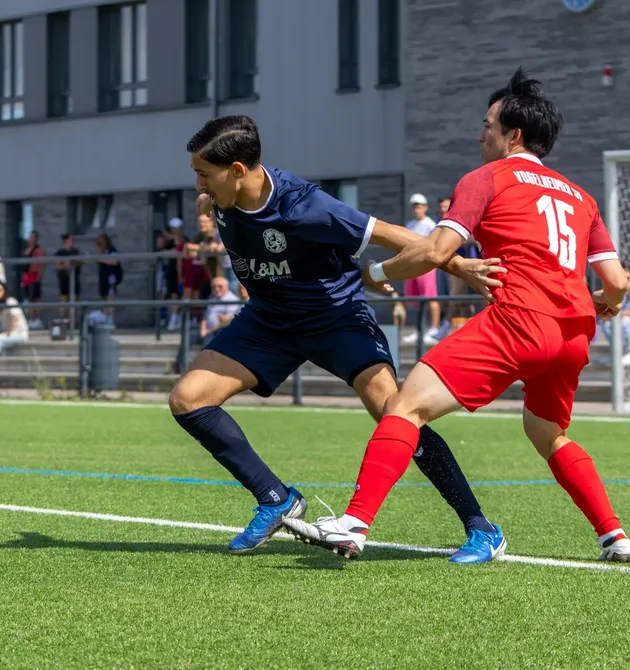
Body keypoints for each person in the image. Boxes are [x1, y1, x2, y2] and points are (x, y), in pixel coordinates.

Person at [284, 69, 630, 563]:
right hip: (574, 331)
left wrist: (375, 272)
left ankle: (353, 523)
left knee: (405, 405)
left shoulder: (486, 178)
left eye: (488, 124)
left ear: (513, 135)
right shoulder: (581, 197)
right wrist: (608, 303)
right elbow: (618, 282)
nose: (480, 134)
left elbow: (435, 251)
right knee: (547, 433)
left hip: (519, 320)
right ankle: (615, 535)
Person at [169, 114, 508, 561]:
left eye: (203, 175)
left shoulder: (304, 204)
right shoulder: (220, 199)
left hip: (336, 317)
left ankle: (481, 527)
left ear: (237, 170)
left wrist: (458, 264)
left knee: (398, 414)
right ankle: (276, 498)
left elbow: (393, 235)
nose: (198, 186)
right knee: (188, 399)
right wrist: (210, 203)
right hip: (268, 321)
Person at [401, 194, 441, 345]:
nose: (417, 210)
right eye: (414, 207)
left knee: (430, 297)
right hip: (412, 266)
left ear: (425, 207)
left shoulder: (430, 225)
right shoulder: (409, 225)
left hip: (426, 266)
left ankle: (434, 329)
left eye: (419, 206)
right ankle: (419, 329)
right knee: (415, 300)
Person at [21, 231, 46, 329]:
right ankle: (31, 319)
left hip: (34, 276)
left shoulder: (39, 250)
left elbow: (41, 264)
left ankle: (37, 319)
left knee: (36, 299)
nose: (29, 238)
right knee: (29, 299)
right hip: (27, 277)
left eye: (32, 237)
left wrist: (39, 276)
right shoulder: (27, 250)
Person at [96, 232, 122, 318]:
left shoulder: (112, 250)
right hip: (103, 279)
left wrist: (102, 259)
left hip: (111, 278)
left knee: (110, 299)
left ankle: (110, 318)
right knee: (105, 298)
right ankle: (106, 317)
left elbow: (114, 261)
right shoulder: (101, 252)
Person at [55, 233, 82, 304]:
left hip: (75, 279)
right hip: (64, 278)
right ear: (66, 241)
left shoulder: (76, 252)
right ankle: (63, 315)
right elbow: (58, 265)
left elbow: (80, 262)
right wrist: (67, 265)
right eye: (71, 240)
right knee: (64, 299)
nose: (72, 241)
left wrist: (69, 264)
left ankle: (75, 314)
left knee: (76, 298)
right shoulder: (60, 253)